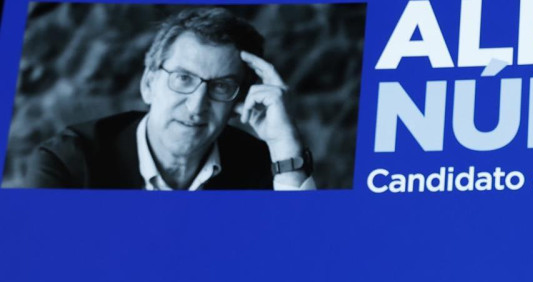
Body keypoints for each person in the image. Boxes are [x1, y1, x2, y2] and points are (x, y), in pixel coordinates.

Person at [18, 8, 314, 190]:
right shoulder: (67, 164)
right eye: (183, 78)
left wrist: (284, 147)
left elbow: (304, 263)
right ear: (149, 84)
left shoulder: (263, 164)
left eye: (221, 86)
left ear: (239, 101)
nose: (197, 105)